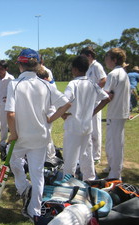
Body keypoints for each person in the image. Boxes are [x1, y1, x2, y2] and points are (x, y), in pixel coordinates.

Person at [6, 48, 71, 224]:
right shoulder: (46, 85)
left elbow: (10, 113)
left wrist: (13, 134)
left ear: (20, 65)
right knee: (37, 174)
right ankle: (34, 210)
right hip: (40, 137)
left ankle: (22, 188)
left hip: (21, 137)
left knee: (13, 160)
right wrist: (51, 119)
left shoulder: (14, 84)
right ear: (37, 65)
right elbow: (66, 104)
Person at [61, 55, 110, 181]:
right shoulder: (93, 84)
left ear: (75, 69)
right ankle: (90, 181)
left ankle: (68, 183)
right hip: (87, 127)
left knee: (70, 158)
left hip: (73, 127)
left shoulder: (73, 84)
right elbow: (106, 98)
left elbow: (64, 102)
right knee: (86, 156)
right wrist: (92, 112)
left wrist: (62, 114)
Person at [103, 48, 130, 180]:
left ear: (114, 60)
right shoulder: (122, 73)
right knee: (111, 142)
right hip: (119, 112)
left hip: (116, 113)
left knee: (115, 144)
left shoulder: (113, 74)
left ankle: (115, 173)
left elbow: (106, 94)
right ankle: (111, 166)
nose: (106, 61)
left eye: (107, 58)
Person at [80, 47, 107, 165]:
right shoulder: (88, 67)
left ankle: (96, 155)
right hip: (87, 102)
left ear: (89, 55)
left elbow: (104, 80)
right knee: (89, 129)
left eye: (84, 56)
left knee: (96, 129)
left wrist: (94, 92)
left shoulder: (97, 66)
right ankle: (90, 153)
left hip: (96, 102)